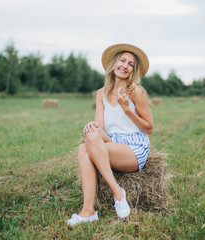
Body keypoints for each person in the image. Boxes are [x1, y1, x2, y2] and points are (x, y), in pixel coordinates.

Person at [67, 43, 153, 226]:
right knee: (89, 139)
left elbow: (149, 127)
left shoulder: (135, 91)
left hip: (134, 147)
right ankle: (93, 208)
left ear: (133, 70)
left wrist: (127, 109)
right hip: (112, 141)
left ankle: (110, 196)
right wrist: (93, 126)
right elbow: (101, 128)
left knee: (84, 149)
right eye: (122, 60)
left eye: (131, 64)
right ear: (114, 63)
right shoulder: (101, 94)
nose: (125, 65)